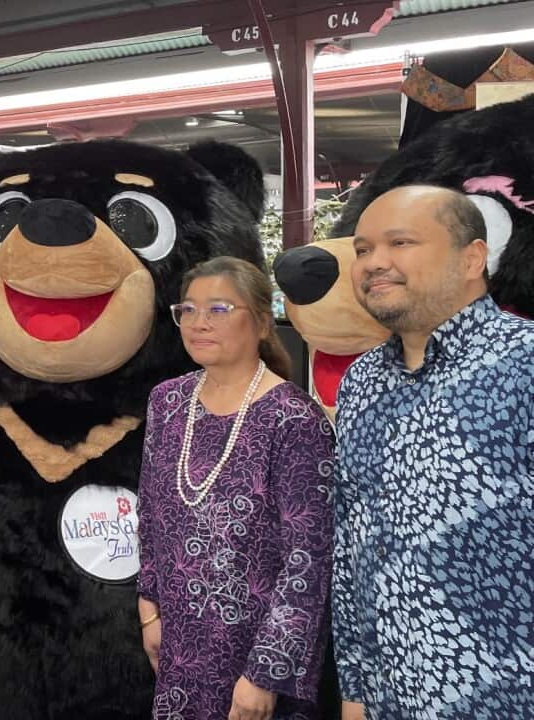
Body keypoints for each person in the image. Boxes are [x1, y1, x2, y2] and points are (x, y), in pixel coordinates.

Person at [333, 185, 534, 719]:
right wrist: (355, 691)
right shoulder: (361, 382)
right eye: (362, 249)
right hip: (389, 698)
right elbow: (353, 546)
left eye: (400, 242)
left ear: (473, 257)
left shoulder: (524, 363)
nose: (374, 263)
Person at [137, 256, 334, 720]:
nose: (198, 322)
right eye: (187, 309)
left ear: (264, 322)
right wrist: (149, 609)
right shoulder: (167, 401)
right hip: (179, 644)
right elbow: (150, 514)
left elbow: (309, 558)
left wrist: (267, 673)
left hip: (256, 654)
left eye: (219, 309)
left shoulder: (293, 418)